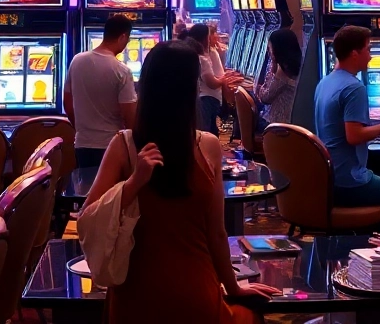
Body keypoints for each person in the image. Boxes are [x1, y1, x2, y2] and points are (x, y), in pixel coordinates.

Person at [82, 41, 279, 323]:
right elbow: (217, 233)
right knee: (249, 316)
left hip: (133, 299)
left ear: (146, 87)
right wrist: (234, 287)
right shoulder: (207, 145)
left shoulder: (123, 145)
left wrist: (132, 185)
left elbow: (86, 220)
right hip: (195, 292)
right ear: (190, 91)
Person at [314, 25, 380, 233]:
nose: (371, 56)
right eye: (368, 50)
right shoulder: (354, 87)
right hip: (350, 181)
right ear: (355, 54)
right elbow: (353, 136)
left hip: (328, 178)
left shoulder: (325, 82)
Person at [64, 15, 138, 168]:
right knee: (111, 191)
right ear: (123, 37)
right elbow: (129, 115)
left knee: (87, 190)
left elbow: (67, 102)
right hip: (112, 145)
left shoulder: (77, 60)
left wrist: (81, 129)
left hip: (82, 143)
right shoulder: (122, 70)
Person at [186, 23, 243, 135]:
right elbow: (211, 83)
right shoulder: (202, 58)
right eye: (211, 34)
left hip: (207, 98)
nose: (216, 36)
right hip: (206, 99)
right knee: (206, 133)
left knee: (210, 131)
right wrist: (225, 78)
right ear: (204, 38)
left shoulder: (201, 54)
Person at [257, 29, 300, 127]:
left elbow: (266, 98)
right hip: (293, 120)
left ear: (277, 48)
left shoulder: (282, 70)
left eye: (270, 48)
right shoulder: (298, 65)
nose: (269, 52)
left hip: (279, 125)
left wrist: (260, 88)